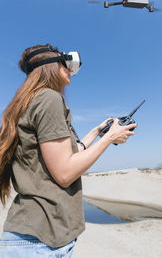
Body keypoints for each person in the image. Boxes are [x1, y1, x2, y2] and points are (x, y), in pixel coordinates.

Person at [0, 44, 137, 257]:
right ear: (52, 66)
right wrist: (110, 138)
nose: (70, 70)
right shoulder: (50, 99)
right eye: (66, 64)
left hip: (31, 235)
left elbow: (66, 155)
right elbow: (64, 173)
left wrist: (98, 131)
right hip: (42, 239)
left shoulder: (30, 101)